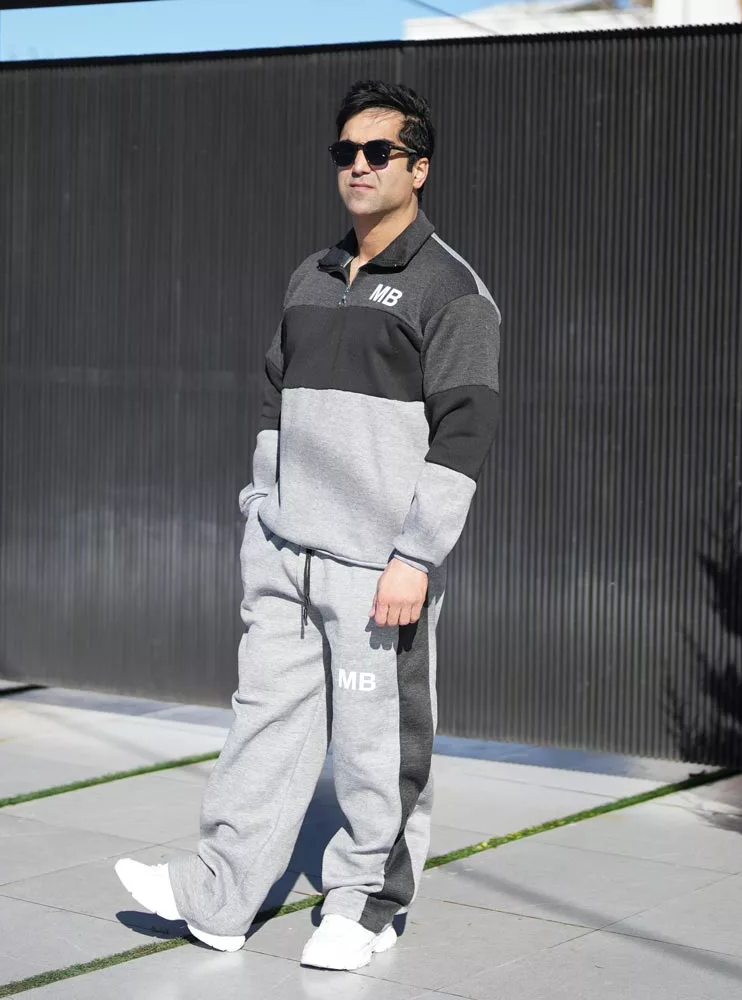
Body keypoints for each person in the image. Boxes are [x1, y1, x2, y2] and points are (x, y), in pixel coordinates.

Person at [115, 79, 500, 972]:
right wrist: (261, 511)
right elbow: (272, 400)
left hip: (377, 568)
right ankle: (220, 897)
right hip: (284, 553)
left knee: (376, 749)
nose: (358, 166)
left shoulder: (453, 292)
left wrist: (415, 557)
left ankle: (367, 906)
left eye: (379, 153)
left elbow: (467, 433)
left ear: (419, 168)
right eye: (345, 152)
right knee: (264, 728)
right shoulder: (311, 276)